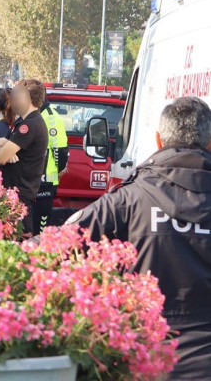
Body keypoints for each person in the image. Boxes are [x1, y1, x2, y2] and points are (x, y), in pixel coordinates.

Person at [67, 97, 211, 380]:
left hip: (145, 361)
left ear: (158, 140)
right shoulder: (128, 197)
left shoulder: (128, 199)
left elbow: (57, 245)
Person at [0, 79, 48, 236]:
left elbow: (1, 157)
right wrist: (2, 144)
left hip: (19, 197)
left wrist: (3, 145)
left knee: (20, 246)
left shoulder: (29, 125)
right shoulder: (23, 122)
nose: (13, 100)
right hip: (13, 195)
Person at [33, 101, 68, 233]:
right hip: (32, 181)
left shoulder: (50, 117)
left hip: (45, 181)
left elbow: (60, 151)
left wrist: (59, 169)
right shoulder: (34, 115)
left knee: (39, 228)